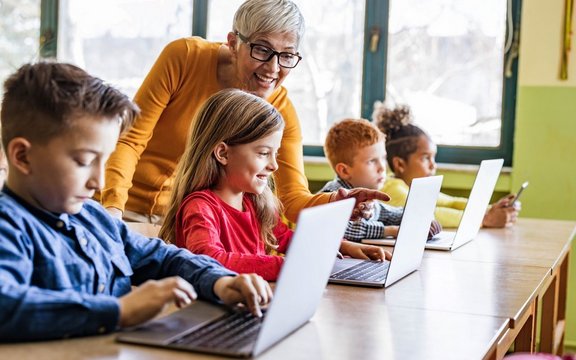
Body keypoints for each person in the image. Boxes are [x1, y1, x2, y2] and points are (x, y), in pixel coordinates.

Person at [0, 62, 271, 342]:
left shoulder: (93, 216)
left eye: (104, 161)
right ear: (22, 156)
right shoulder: (8, 227)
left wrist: (220, 282)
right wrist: (117, 311)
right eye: (84, 161)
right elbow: (6, 304)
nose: (99, 183)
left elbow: (163, 257)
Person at [100, 0, 387, 225]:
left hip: (186, 224)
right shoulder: (184, 57)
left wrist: (338, 202)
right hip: (124, 210)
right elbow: (129, 140)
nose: (273, 69)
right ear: (233, 42)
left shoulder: (281, 111)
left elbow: (293, 199)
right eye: (262, 50)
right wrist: (112, 209)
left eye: (287, 55)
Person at [159, 89, 389, 281]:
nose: (274, 166)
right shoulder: (200, 207)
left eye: (275, 154)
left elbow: (288, 239)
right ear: (222, 153)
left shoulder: (253, 202)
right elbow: (208, 259)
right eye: (263, 153)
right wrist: (285, 266)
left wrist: (343, 246)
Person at [373, 103, 519, 228]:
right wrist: (485, 219)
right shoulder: (391, 189)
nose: (433, 165)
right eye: (425, 158)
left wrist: (492, 209)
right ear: (400, 164)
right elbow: (427, 215)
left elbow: (451, 202)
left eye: (433, 158)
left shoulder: (413, 187)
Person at [320, 118, 441, 242]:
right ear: (345, 171)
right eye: (372, 161)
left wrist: (423, 218)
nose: (382, 167)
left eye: (383, 158)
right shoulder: (331, 195)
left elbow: (392, 214)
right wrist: (391, 231)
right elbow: (343, 228)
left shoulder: (368, 198)